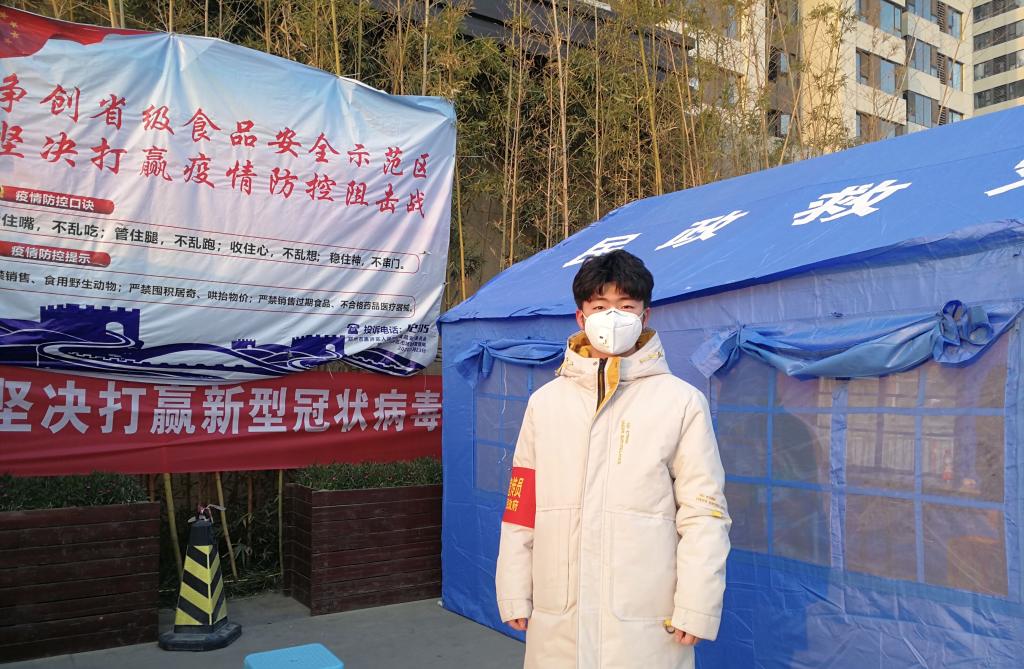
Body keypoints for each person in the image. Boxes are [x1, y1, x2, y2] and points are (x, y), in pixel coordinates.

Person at [495, 250, 731, 669]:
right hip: (559, 614)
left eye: (625, 306)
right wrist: (514, 588)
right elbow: (521, 505)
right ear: (581, 317)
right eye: (600, 306)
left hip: (644, 616)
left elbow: (704, 512)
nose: (613, 317)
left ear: (645, 315)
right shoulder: (545, 404)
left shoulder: (680, 402)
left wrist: (697, 603)